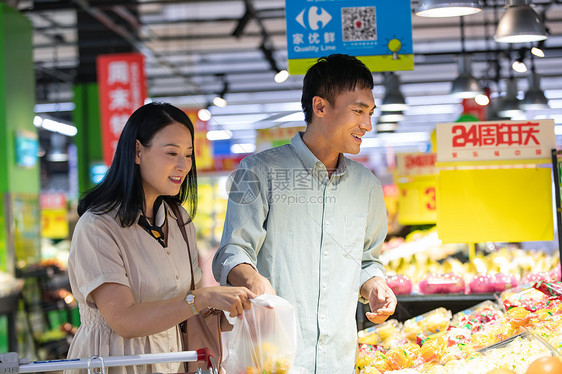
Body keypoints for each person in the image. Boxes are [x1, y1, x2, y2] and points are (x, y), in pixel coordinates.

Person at [212, 54, 397, 374]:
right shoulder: (260, 172)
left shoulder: (366, 186)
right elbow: (233, 252)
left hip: (339, 362)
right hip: (276, 360)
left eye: (370, 113)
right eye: (358, 111)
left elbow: (367, 260)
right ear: (320, 106)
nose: (367, 125)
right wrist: (253, 279)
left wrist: (376, 286)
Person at [65, 102, 255, 373]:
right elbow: (124, 321)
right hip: (114, 363)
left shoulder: (179, 221)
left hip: (173, 362)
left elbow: (185, 307)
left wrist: (240, 306)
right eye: (171, 153)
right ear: (138, 152)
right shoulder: (98, 227)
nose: (183, 165)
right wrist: (201, 298)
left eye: (188, 155)